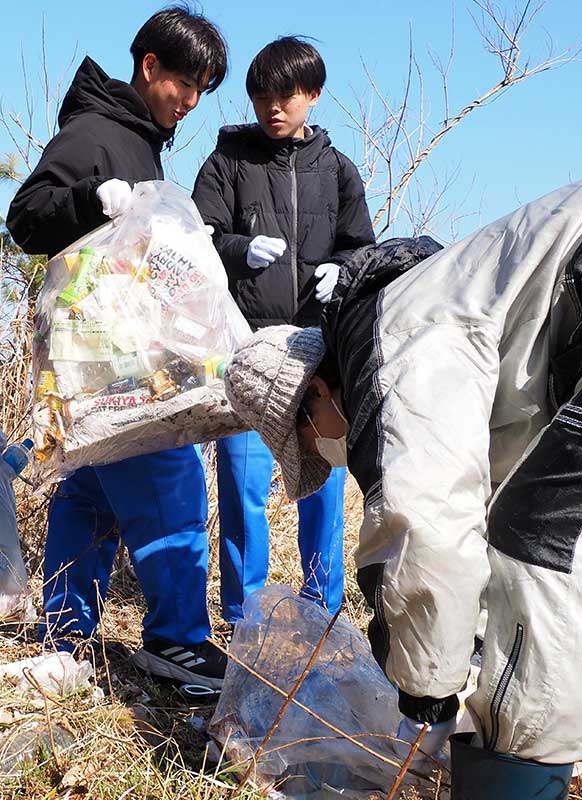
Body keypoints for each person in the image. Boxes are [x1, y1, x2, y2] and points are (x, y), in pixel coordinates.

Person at [223, 149, 582, 798]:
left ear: (318, 394)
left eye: (311, 444)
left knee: (548, 544)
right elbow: (479, 509)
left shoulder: (393, 338)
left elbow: (427, 534)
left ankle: (513, 779)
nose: (327, 453)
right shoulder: (466, 312)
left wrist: (428, 695)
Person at [6, 5, 232, 688]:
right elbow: (26, 216)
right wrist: (87, 199)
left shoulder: (136, 137)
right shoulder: (97, 132)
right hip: (112, 356)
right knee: (170, 482)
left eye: (201, 91)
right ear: (149, 66)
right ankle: (177, 640)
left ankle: (65, 634)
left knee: (90, 492)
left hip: (103, 353)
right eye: (183, 84)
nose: (189, 102)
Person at [192, 36, 374, 623]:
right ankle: (246, 614)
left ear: (313, 96)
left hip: (319, 351)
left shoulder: (338, 171)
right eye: (261, 94)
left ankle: (322, 608)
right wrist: (240, 249)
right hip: (245, 347)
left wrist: (340, 272)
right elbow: (195, 243)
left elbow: (362, 250)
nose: (273, 106)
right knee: (244, 485)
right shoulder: (227, 163)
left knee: (322, 482)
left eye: (287, 94)